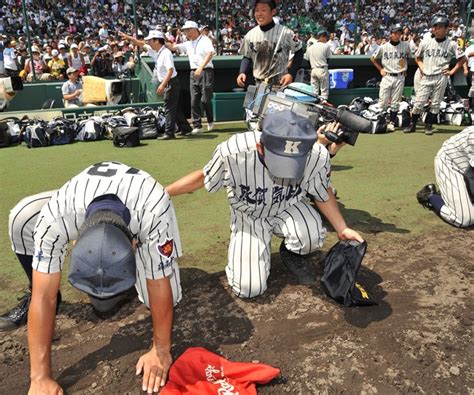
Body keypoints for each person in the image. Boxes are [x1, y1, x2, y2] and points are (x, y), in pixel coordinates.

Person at [0, 161, 182, 394]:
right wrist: (40, 377)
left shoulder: (155, 209)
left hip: (139, 205)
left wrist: (161, 350)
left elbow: (158, 284)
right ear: (74, 242)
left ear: (134, 244)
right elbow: (43, 297)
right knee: (21, 216)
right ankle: (39, 277)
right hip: (78, 201)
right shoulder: (56, 218)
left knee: (170, 296)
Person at [165, 110, 363, 299]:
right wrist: (165, 192)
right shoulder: (234, 151)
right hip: (249, 215)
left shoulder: (316, 154)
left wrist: (342, 227)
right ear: (260, 146)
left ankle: (291, 253)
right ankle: (255, 248)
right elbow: (204, 177)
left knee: (311, 235)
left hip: (288, 207)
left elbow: (322, 190)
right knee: (249, 288)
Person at [119, 30, 192, 139]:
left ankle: (169, 133)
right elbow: (141, 43)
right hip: (169, 82)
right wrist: (128, 37)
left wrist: (162, 85)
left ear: (157, 41)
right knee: (174, 108)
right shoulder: (156, 51)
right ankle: (186, 128)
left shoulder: (166, 53)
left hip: (170, 82)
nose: (148, 43)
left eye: (151, 41)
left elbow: (170, 70)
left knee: (169, 108)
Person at [403, 15, 465, 135]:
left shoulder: (452, 44)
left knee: (436, 103)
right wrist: (422, 67)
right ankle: (413, 124)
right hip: (427, 75)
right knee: (419, 102)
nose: (436, 29)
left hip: (441, 77)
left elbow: (462, 59)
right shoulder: (426, 42)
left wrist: (452, 72)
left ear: (447, 29)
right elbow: (417, 57)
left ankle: (429, 125)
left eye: (440, 27)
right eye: (435, 27)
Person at [236, 0, 303, 89]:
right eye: (257, 10)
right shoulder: (250, 35)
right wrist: (242, 72)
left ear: (273, 12)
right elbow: (247, 56)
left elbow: (299, 52)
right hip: (259, 85)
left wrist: (291, 74)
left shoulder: (286, 32)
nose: (259, 14)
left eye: (263, 10)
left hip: (280, 84)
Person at [416, 127, 474, 228]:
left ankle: (454, 194)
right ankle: (430, 195)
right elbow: (471, 176)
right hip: (451, 163)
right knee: (465, 219)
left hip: (467, 164)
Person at [170, 21, 216, 135]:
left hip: (205, 71)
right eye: (185, 30)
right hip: (193, 72)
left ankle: (210, 119)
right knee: (194, 100)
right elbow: (173, 47)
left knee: (205, 100)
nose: (185, 32)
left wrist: (201, 67)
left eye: (187, 30)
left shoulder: (205, 40)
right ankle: (197, 126)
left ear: (193, 30)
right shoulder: (187, 43)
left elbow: (210, 53)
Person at [370, 24, 412, 131]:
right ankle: (382, 122)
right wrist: (380, 69)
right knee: (383, 101)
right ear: (390, 34)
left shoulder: (405, 45)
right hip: (387, 76)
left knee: (395, 102)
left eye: (399, 33)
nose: (397, 35)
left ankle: (392, 122)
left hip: (400, 76)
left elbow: (410, 57)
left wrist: (404, 68)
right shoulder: (383, 47)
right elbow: (373, 58)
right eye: (395, 33)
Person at [305, 29, 332, 101]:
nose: (327, 39)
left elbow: (307, 60)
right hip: (322, 69)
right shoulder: (326, 46)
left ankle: (314, 103)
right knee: (324, 92)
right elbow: (328, 59)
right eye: (326, 37)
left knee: (314, 92)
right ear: (322, 37)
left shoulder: (310, 47)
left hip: (313, 70)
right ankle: (323, 103)